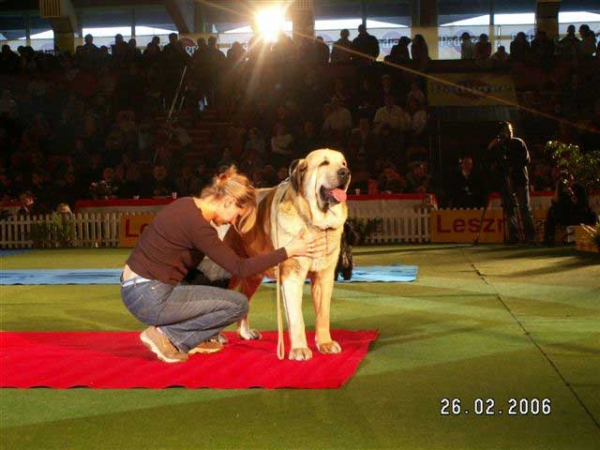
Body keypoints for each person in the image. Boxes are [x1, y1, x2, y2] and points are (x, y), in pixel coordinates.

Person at [120, 166, 324, 363]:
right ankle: (168, 336)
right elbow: (241, 269)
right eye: (237, 215)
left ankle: (198, 337)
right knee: (239, 304)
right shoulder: (198, 226)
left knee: (218, 270)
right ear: (228, 202)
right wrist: (289, 250)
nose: (233, 222)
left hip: (140, 289)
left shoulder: (186, 205)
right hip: (148, 295)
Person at [486, 121, 536, 243]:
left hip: (520, 180)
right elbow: (490, 162)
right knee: (509, 209)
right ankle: (514, 236)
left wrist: (511, 166)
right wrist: (491, 147)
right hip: (505, 180)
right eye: (506, 130)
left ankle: (530, 237)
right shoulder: (498, 146)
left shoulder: (518, 142)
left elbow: (526, 159)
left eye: (510, 130)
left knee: (524, 208)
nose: (509, 132)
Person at [543, 173, 596, 245]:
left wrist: (571, 193)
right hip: (565, 213)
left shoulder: (579, 188)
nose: (567, 179)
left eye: (569, 177)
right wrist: (557, 187)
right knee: (552, 210)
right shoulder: (562, 188)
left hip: (577, 213)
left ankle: (552, 238)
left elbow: (579, 203)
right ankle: (549, 238)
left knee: (554, 211)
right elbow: (555, 202)